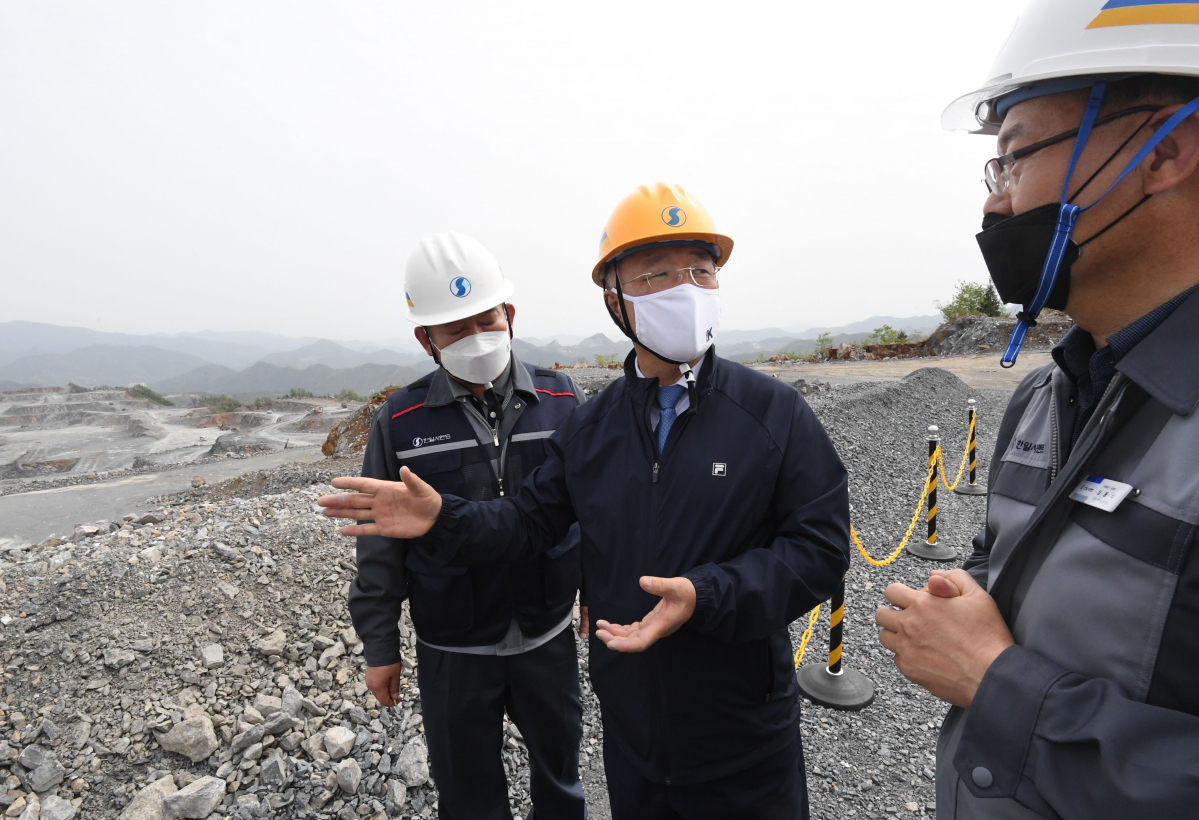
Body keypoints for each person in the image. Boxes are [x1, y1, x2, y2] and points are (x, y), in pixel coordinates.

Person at [320, 183, 851, 820]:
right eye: (655, 275)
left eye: (700, 271)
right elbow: (527, 523)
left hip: (738, 723)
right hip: (631, 723)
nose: (684, 289)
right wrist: (443, 519)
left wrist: (707, 594)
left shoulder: (773, 414)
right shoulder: (592, 428)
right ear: (614, 298)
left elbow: (820, 548)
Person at [874, 2, 1199, 817]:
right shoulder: (1046, 396)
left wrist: (996, 683)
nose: (993, 205)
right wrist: (963, 594)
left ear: (1162, 150)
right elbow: (1010, 575)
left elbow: (994, 668)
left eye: (1014, 159)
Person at [348, 231, 587, 820]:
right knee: (467, 795)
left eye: (485, 318)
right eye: (454, 328)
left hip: (547, 634)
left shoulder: (563, 401)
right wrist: (382, 647)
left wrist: (600, 593)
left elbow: (593, 514)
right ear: (425, 338)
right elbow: (379, 547)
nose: (475, 337)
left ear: (509, 314)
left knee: (560, 781)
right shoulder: (399, 422)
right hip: (452, 647)